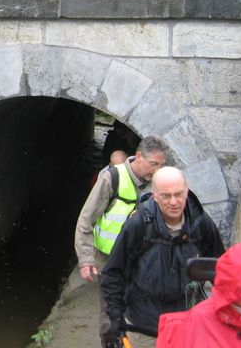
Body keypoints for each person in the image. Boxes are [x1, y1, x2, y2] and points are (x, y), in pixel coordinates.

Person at [101, 166, 225, 348]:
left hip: (187, 324)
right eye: (166, 196)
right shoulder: (139, 224)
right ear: (155, 196)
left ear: (187, 191)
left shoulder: (200, 223)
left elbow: (221, 270)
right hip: (144, 325)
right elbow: (113, 272)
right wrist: (115, 317)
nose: (174, 202)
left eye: (179, 194)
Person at [74, 135, 169, 347]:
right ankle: (111, 343)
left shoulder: (160, 183)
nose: (157, 170)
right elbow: (85, 220)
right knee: (111, 310)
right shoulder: (111, 178)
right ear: (138, 157)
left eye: (161, 165)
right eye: (154, 164)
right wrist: (86, 259)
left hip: (144, 258)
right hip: (111, 260)